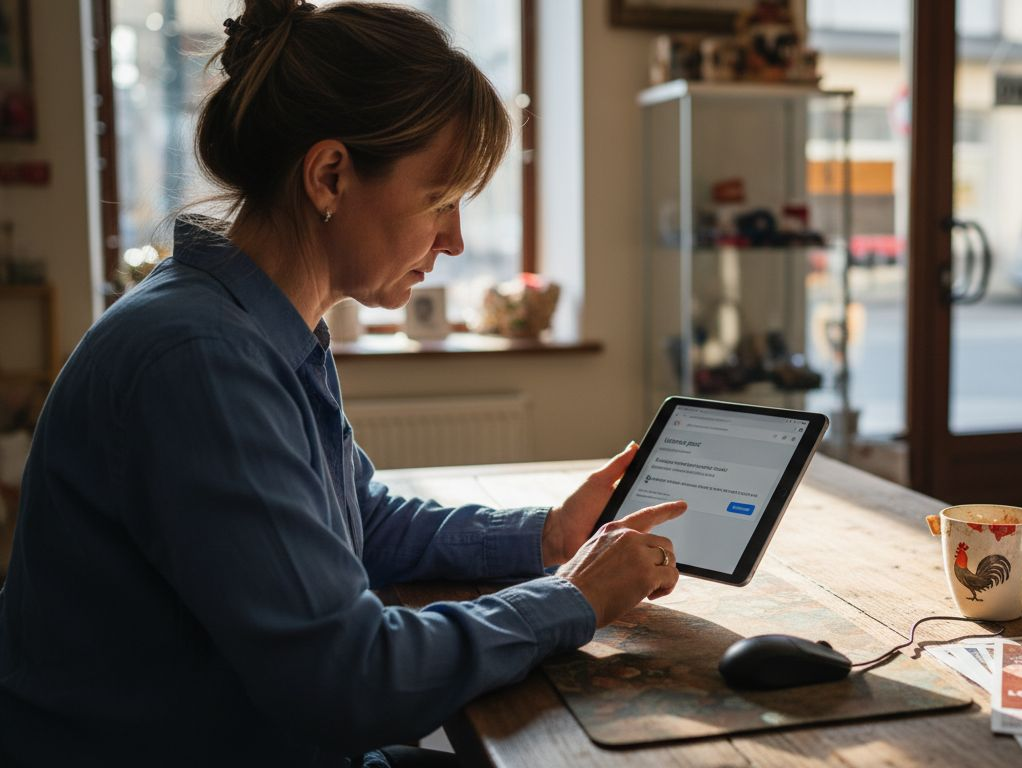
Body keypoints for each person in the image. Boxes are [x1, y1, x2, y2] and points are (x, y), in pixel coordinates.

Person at [0, 1, 685, 765]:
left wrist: (550, 535)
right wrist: (574, 598)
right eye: (439, 200)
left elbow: (360, 522)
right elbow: (353, 678)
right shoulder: (199, 358)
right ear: (330, 175)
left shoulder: (255, 326)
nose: (454, 240)